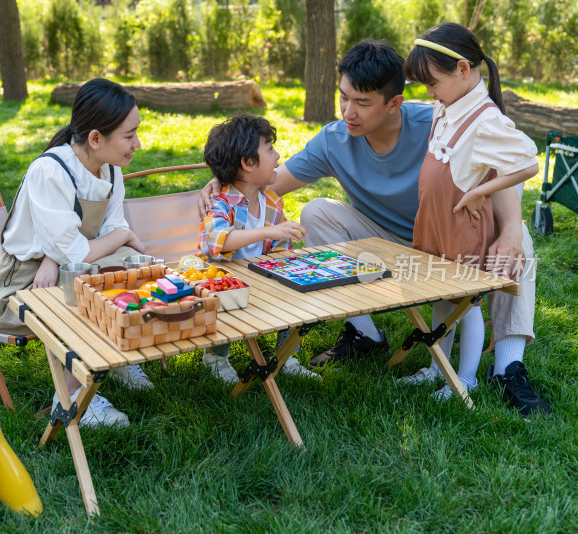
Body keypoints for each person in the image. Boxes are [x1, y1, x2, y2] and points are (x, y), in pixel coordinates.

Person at [198, 40, 551, 417]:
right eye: (343, 97)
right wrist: (222, 181)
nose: (348, 112)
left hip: (445, 236)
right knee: (317, 212)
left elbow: (499, 166)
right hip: (385, 243)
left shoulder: (434, 121)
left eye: (362, 103)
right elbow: (265, 181)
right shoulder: (334, 140)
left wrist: (511, 227)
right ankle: (365, 332)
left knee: (520, 238)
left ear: (393, 103)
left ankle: (508, 368)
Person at [0, 78, 151, 428]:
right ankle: (77, 398)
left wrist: (59, 256)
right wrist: (117, 235)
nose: (137, 143)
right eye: (129, 135)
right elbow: (85, 245)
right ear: (95, 138)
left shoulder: (111, 170)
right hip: (17, 287)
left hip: (64, 267)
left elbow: (96, 241)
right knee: (77, 297)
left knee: (119, 273)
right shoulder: (50, 171)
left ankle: (115, 360)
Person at [398, 23, 538, 400]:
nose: (430, 93)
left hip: (461, 227)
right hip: (437, 221)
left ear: (463, 69)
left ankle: (466, 379)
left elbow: (527, 163)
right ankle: (436, 368)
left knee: (467, 304)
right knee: (441, 298)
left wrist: (481, 191)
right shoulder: (449, 105)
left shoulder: (485, 118)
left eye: (432, 83)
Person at [198, 113, 318, 383]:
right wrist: (269, 231)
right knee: (226, 293)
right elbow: (217, 242)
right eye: (270, 149)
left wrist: (289, 257)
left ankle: (286, 355)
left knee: (295, 284)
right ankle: (216, 356)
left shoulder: (271, 202)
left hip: (259, 278)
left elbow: (277, 249)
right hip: (223, 284)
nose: (277, 156)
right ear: (248, 163)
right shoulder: (220, 202)